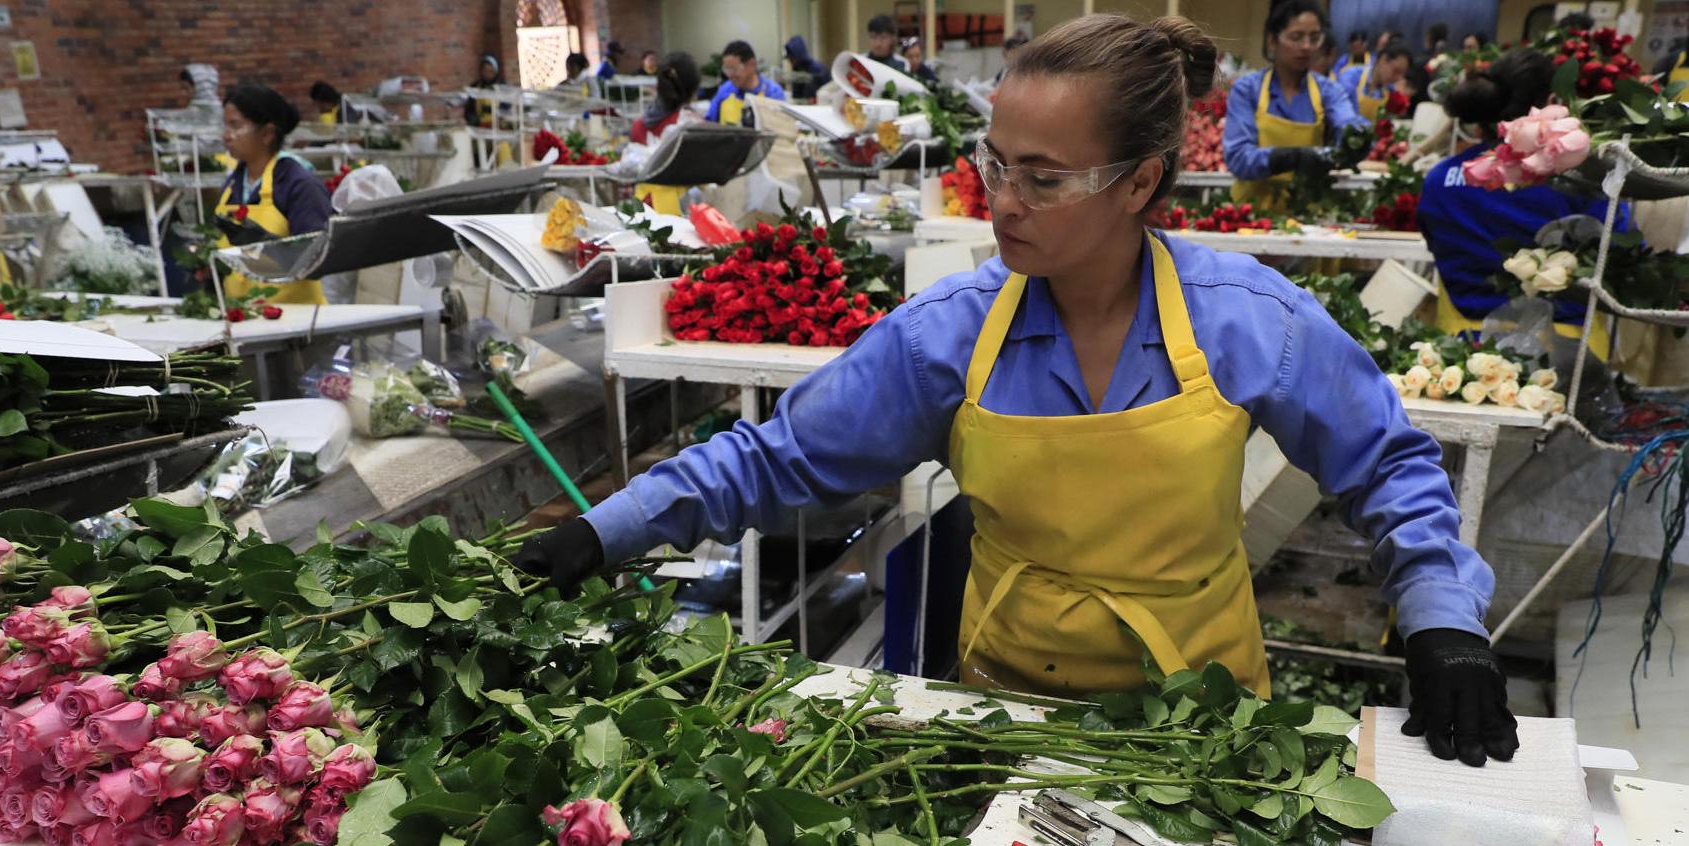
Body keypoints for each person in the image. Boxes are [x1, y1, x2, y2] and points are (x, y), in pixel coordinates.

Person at [518, 12, 1518, 770]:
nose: (1000, 203)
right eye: (994, 165)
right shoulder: (948, 337)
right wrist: (606, 530)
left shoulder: (1246, 321)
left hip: (1205, 728)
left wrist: (1441, 619)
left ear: (1140, 182)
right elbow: (781, 457)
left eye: (1042, 180)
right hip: (1001, 720)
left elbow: (1386, 461)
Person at [1419, 47, 1626, 355]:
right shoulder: (1580, 179)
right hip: (1565, 355)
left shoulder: (1440, 180)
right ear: (1551, 105)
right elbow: (1621, 251)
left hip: (1462, 356)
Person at [1222, 1, 1368, 211]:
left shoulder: (1328, 92)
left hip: (1307, 215)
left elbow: (1346, 120)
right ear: (1273, 41)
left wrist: (1357, 135)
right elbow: (1238, 158)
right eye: (1296, 37)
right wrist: (1289, 158)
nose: (1307, 46)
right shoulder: (1248, 90)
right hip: (1251, 215)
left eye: (1314, 38)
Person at [215, 84, 333, 305]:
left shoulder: (299, 184)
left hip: (296, 324)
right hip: (244, 318)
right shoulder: (233, 186)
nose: (226, 136)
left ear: (267, 133)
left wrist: (263, 244)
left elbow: (318, 260)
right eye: (225, 125)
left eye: (235, 125)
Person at [630, 52, 703, 214]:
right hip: (682, 218)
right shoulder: (691, 127)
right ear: (694, 89)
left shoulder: (639, 125)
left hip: (643, 214)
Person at [706, 40, 786, 126]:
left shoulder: (772, 92)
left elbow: (782, 129)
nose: (730, 75)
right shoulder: (724, 90)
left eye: (734, 69)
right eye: (726, 69)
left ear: (752, 64)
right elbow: (709, 122)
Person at [1338, 44, 1412, 122]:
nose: (1398, 78)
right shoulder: (1350, 77)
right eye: (1396, 71)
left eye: (1402, 74)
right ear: (1383, 59)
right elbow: (1346, 116)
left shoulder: (1390, 91)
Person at [784, 35, 830, 99]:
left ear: (798, 56)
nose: (791, 62)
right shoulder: (796, 70)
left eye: (792, 59)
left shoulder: (818, 70)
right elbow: (796, 95)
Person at [465, 55, 505, 127]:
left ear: (495, 71)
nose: (488, 74)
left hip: (498, 126)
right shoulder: (474, 87)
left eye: (491, 71)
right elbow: (468, 110)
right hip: (480, 127)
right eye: (485, 71)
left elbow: (507, 108)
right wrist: (474, 120)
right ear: (481, 71)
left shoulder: (502, 87)